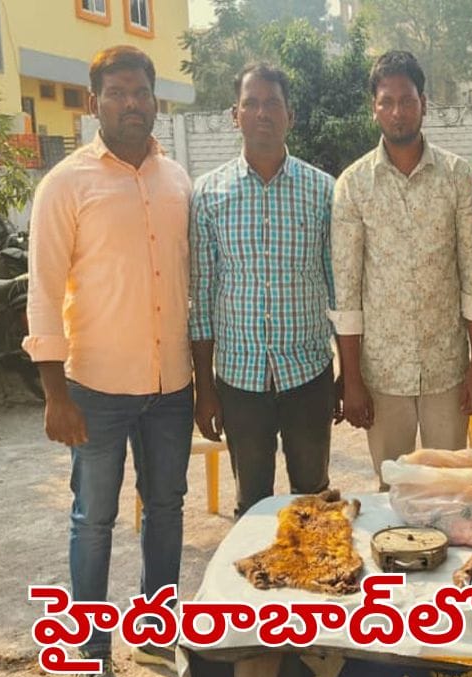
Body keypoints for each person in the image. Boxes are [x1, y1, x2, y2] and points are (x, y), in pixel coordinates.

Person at [24, 45, 193, 677]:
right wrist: (54, 393)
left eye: (141, 92)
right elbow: (43, 292)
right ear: (94, 102)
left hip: (170, 386)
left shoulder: (176, 180)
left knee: (167, 509)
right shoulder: (65, 184)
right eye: (117, 93)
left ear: (156, 99)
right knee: (93, 519)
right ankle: (90, 654)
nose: (131, 103)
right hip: (93, 387)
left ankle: (155, 631)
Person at [330, 50, 472, 487]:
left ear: (424, 104)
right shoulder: (354, 185)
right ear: (374, 107)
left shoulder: (456, 176)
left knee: (450, 488)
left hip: (447, 368)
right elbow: (347, 290)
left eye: (407, 100)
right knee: (393, 493)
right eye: (387, 101)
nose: (397, 111)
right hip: (382, 373)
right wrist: (352, 379)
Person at [189, 64, 337, 517]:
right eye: (250, 103)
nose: (262, 113)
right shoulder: (207, 194)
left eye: (273, 103)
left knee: (313, 499)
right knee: (252, 503)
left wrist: (351, 374)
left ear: (290, 114)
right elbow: (202, 296)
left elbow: (340, 291)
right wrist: (204, 388)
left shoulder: (322, 191)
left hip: (308, 373)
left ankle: (316, 567)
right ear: (234, 115)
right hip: (239, 378)